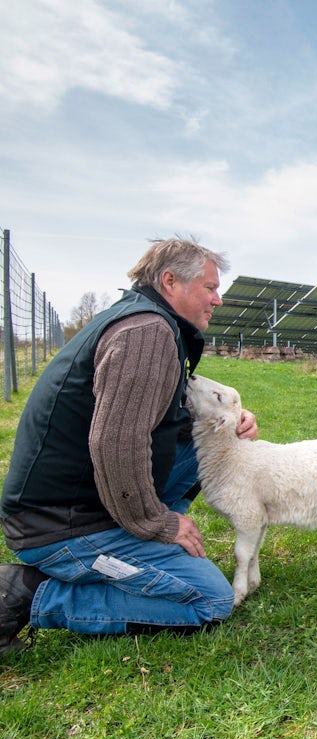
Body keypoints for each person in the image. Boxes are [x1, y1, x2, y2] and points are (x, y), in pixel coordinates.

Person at [0, 238, 258, 655]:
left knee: (208, 443)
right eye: (210, 287)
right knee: (209, 600)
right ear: (170, 281)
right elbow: (116, 443)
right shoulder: (147, 333)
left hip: (80, 498)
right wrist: (159, 523)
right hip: (61, 523)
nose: (219, 298)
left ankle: (142, 551)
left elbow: (159, 422)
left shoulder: (147, 321)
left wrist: (230, 422)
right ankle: (27, 596)